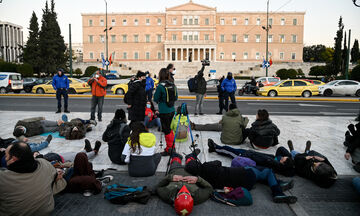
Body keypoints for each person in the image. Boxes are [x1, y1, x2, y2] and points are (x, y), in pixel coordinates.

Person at [185, 157, 297, 204]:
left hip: (240, 184)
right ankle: (278, 192)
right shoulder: (207, 167)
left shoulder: (203, 180)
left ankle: (278, 184)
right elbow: (218, 162)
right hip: (244, 174)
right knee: (267, 171)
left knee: (261, 174)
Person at [0, 141, 67, 216]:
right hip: (46, 210)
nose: (5, 158)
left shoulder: (3, 177)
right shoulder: (44, 163)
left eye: (6, 156)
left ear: (14, 159)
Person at [207, 139, 295, 176]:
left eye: (284, 159)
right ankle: (217, 147)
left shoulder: (273, 164)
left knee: (229, 150)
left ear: (283, 164)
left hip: (246, 157)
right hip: (250, 154)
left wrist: (249, 154)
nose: (282, 157)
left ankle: (215, 148)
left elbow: (259, 159)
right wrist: (290, 158)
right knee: (231, 149)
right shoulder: (277, 160)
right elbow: (281, 149)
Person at [154, 68, 178, 156]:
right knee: (170, 130)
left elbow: (155, 99)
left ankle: (169, 149)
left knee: (167, 131)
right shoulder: (173, 84)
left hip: (164, 111)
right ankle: (172, 147)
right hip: (172, 110)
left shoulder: (160, 86)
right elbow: (176, 97)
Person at [36, 139, 101, 164]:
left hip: (58, 155)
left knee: (73, 153)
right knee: (79, 156)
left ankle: (86, 150)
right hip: (62, 160)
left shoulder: (36, 161)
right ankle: (94, 151)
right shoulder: (40, 165)